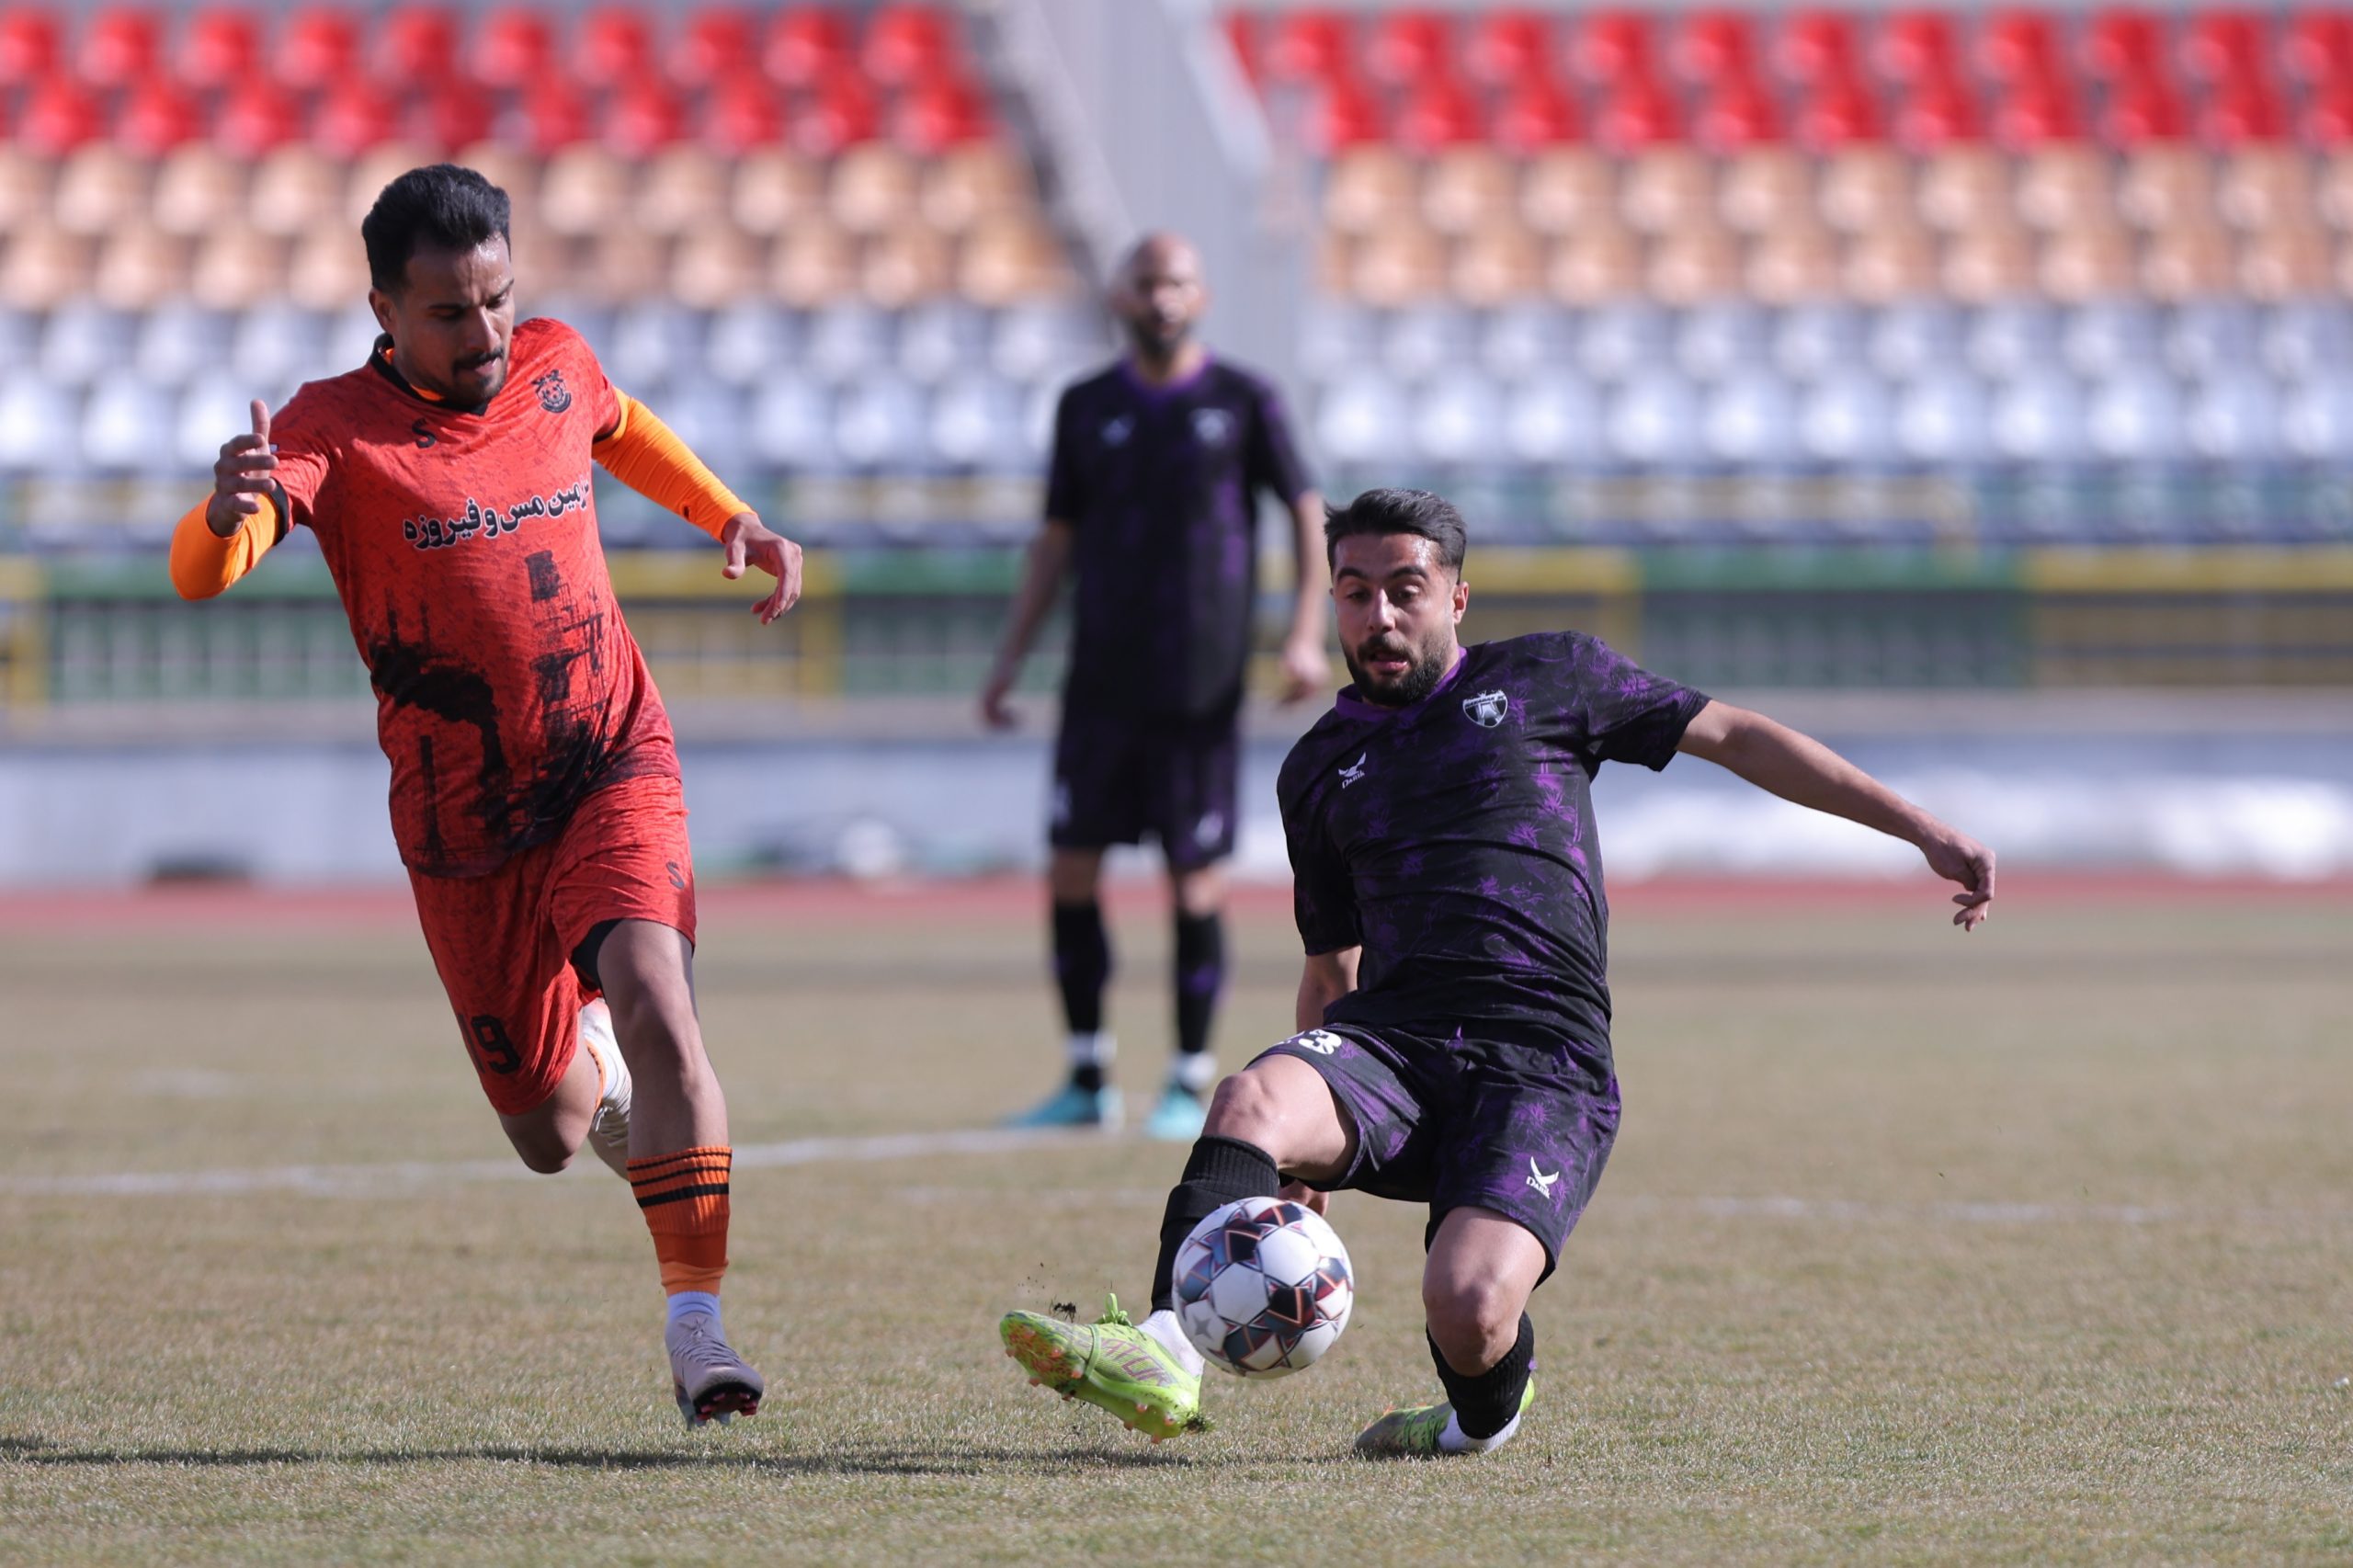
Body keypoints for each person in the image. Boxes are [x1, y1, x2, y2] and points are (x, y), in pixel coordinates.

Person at [999, 488, 1997, 1455]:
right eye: (1354, 591)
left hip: (1545, 1064)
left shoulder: (1550, 677)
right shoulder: (1316, 767)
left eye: (1405, 589)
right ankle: (1164, 1351)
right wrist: (1301, 1167)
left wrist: (1918, 828)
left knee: (1469, 1305)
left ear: (1456, 596)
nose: (1379, 615)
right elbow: (1330, 966)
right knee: (1249, 1098)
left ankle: (1476, 1420)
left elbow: (1732, 733)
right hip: (1391, 1047)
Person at [168, 165, 802, 1427]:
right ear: (384, 311)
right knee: (550, 1131)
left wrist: (729, 514)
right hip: (463, 825)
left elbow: (620, 423)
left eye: (499, 299)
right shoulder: (334, 427)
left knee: (660, 997)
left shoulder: (555, 363)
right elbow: (205, 572)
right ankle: (602, 1075)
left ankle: (698, 1325)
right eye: (450, 313)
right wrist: (220, 517)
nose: (486, 332)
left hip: (610, 751)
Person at [980, 233, 1328, 1141]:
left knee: (1194, 879)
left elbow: (1304, 509)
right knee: (1070, 867)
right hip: (1099, 681)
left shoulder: (1243, 399)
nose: (1160, 297)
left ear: (1199, 295)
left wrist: (1302, 635)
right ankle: (1086, 1076)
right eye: (1144, 282)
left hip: (1198, 688)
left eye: (1175, 281)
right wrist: (1011, 658)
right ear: (1119, 296)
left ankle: (1186, 1079)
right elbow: (1055, 540)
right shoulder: (1086, 405)